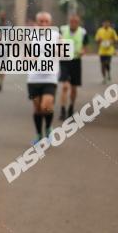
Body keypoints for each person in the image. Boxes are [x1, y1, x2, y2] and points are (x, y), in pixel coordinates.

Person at [27, 11, 59, 143]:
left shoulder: (56, 35)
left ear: (50, 24)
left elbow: (63, 51)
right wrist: (29, 58)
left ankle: (49, 128)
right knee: (37, 109)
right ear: (37, 22)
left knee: (46, 106)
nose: (43, 24)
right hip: (33, 78)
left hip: (50, 78)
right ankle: (39, 134)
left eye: (46, 21)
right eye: (41, 21)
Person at [58, 14, 88, 120]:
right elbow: (57, 43)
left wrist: (82, 51)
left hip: (76, 61)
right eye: (72, 21)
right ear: (69, 21)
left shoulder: (83, 32)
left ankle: (71, 107)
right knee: (65, 86)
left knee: (74, 88)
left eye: (76, 22)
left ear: (78, 23)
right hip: (65, 60)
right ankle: (62, 110)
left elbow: (85, 47)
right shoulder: (62, 30)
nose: (73, 24)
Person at [95, 19, 117, 83]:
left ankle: (108, 72)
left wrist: (111, 41)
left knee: (107, 63)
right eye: (105, 23)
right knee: (102, 64)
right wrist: (99, 40)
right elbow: (96, 39)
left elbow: (116, 39)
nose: (106, 24)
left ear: (109, 24)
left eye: (107, 23)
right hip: (102, 51)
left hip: (109, 50)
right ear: (103, 23)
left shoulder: (112, 31)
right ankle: (104, 77)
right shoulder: (99, 30)